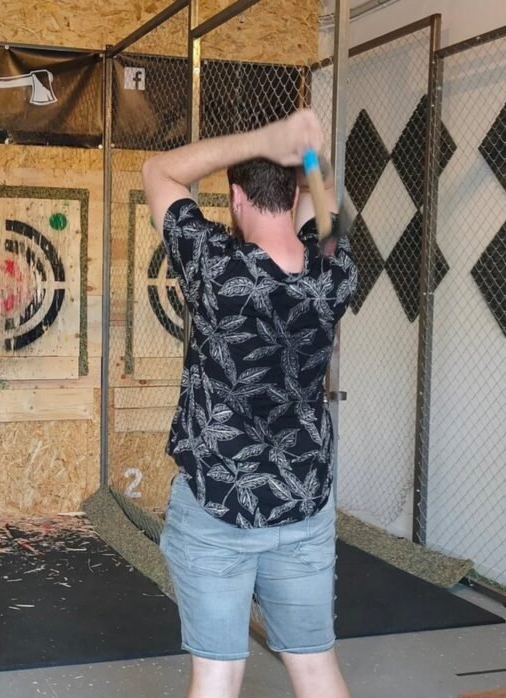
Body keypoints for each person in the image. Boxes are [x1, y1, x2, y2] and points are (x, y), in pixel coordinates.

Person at [141, 109, 357, 698]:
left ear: (236, 197)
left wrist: (266, 140)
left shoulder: (217, 268)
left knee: (217, 677)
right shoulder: (333, 271)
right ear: (293, 194)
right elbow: (325, 209)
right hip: (302, 504)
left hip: (216, 506)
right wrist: (311, 156)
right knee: (315, 667)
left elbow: (158, 171)